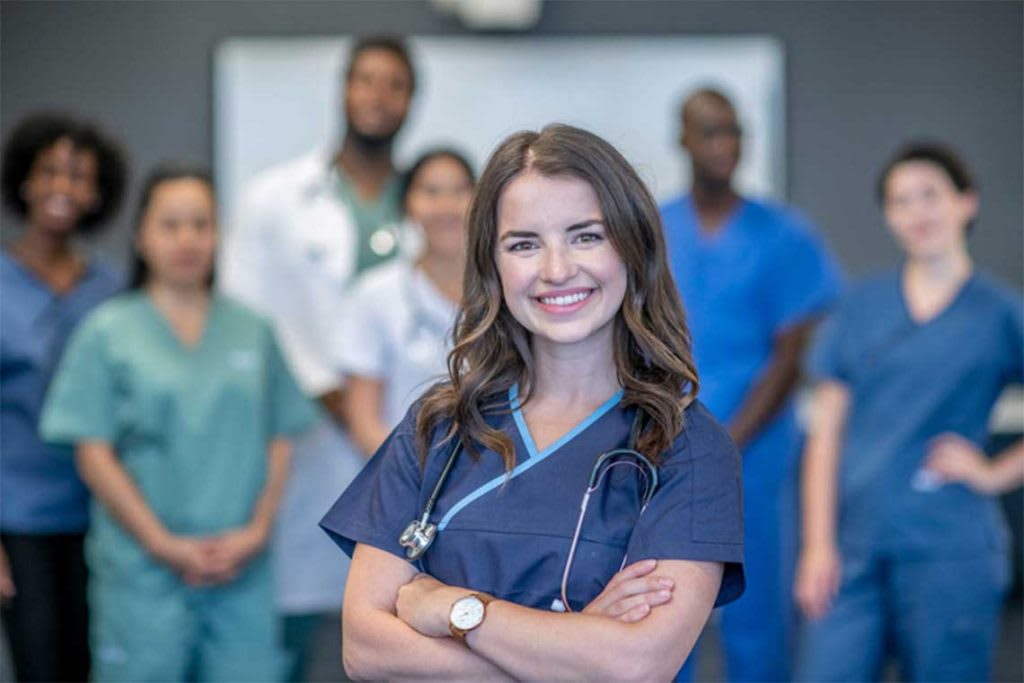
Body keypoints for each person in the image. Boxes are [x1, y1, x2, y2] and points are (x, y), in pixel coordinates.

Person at [320, 123, 745, 681]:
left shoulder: (685, 448)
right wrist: (572, 646)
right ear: (493, 267)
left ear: (632, 245)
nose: (556, 269)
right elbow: (366, 649)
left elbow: (636, 665)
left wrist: (451, 609)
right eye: (524, 244)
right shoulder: (437, 429)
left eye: (585, 235)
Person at [40, 165, 315, 681]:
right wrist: (163, 545)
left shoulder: (251, 331)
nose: (187, 239)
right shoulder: (108, 333)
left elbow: (280, 436)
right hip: (143, 571)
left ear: (218, 235)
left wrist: (255, 532)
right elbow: (92, 453)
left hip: (241, 567)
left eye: (200, 224)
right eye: (170, 225)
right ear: (141, 235)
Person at [218, 35, 416, 680]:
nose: (377, 97)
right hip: (301, 433)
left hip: (402, 437)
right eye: (365, 80)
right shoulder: (275, 198)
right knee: (297, 634)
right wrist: (330, 393)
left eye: (394, 83)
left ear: (411, 99)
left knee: (401, 626)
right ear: (343, 89)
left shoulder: (430, 207)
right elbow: (244, 320)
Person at [795, 142, 1024, 682]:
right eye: (901, 202)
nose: (917, 213)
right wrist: (818, 545)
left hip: (951, 548)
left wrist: (991, 473)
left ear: (965, 202)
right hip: (855, 547)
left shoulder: (998, 313)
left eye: (930, 195)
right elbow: (826, 436)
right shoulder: (860, 307)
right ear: (889, 217)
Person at [659, 87, 842, 681]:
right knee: (659, 603)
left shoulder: (783, 234)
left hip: (755, 453)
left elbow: (790, 357)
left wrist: (727, 443)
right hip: (665, 450)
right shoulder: (654, 229)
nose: (723, 145)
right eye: (709, 131)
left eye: (733, 132)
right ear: (683, 140)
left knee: (758, 609)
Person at [0, 112, 126, 683]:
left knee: (93, 662)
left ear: (97, 193)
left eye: (79, 176)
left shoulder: (110, 291)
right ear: (24, 180)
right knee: (39, 661)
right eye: (49, 171)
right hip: (18, 517)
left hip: (99, 513)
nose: (63, 188)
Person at [338, 148, 474, 456]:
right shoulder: (373, 296)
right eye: (431, 192)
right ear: (407, 204)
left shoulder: (506, 292)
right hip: (405, 480)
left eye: (459, 190)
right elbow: (364, 424)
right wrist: (419, 478)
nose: (446, 206)